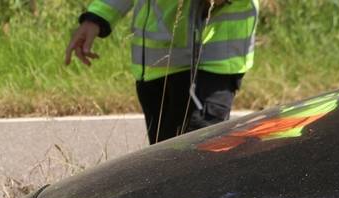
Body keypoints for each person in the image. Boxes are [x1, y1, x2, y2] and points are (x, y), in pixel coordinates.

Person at [65, 0, 259, 145]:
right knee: (162, 170)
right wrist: (97, 17)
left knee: (191, 167)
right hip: (154, 64)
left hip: (207, 62)